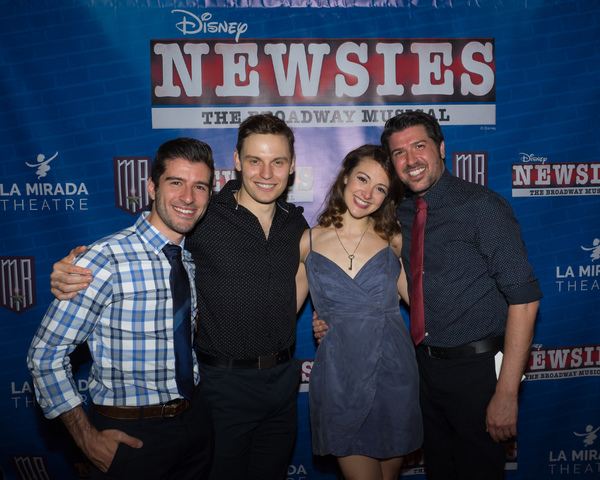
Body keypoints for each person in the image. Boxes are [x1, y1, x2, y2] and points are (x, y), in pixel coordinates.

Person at [48, 115, 309, 480]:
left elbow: (315, 266)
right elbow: (146, 245)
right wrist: (67, 271)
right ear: (236, 161)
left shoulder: (295, 223)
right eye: (254, 160)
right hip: (221, 386)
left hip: (282, 384)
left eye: (278, 161)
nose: (266, 172)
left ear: (292, 165)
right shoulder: (203, 212)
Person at [315, 112, 542, 480]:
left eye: (419, 146)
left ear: (440, 148)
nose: (411, 160)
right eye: (399, 153)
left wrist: (507, 392)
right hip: (422, 371)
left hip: (478, 372)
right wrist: (330, 312)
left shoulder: (482, 207)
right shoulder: (395, 212)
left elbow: (525, 300)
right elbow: (361, 268)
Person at [27, 138, 215, 480]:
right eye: (176, 182)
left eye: (199, 186)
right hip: (131, 435)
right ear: (151, 187)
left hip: (195, 425)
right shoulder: (104, 259)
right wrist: (87, 441)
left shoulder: (188, 259)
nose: (188, 197)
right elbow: (44, 355)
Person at [297, 145, 423, 480]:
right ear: (345, 178)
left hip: (394, 372)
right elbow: (283, 312)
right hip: (339, 377)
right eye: (362, 179)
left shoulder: (393, 237)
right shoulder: (307, 241)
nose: (367, 194)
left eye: (380, 188)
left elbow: (421, 302)